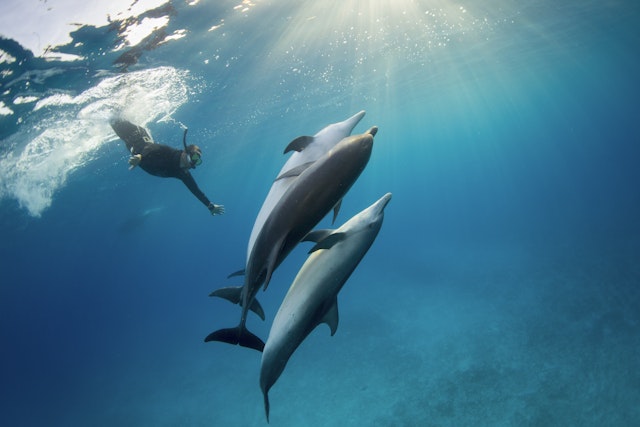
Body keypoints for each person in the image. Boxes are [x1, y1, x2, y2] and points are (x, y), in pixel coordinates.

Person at [110, 118, 225, 216]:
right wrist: (140, 157)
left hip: (131, 145)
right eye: (194, 158)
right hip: (138, 135)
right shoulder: (171, 152)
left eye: (197, 161)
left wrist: (210, 206)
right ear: (185, 152)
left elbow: (196, 190)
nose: (193, 163)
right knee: (114, 118)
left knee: (113, 121)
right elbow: (152, 148)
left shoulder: (182, 174)